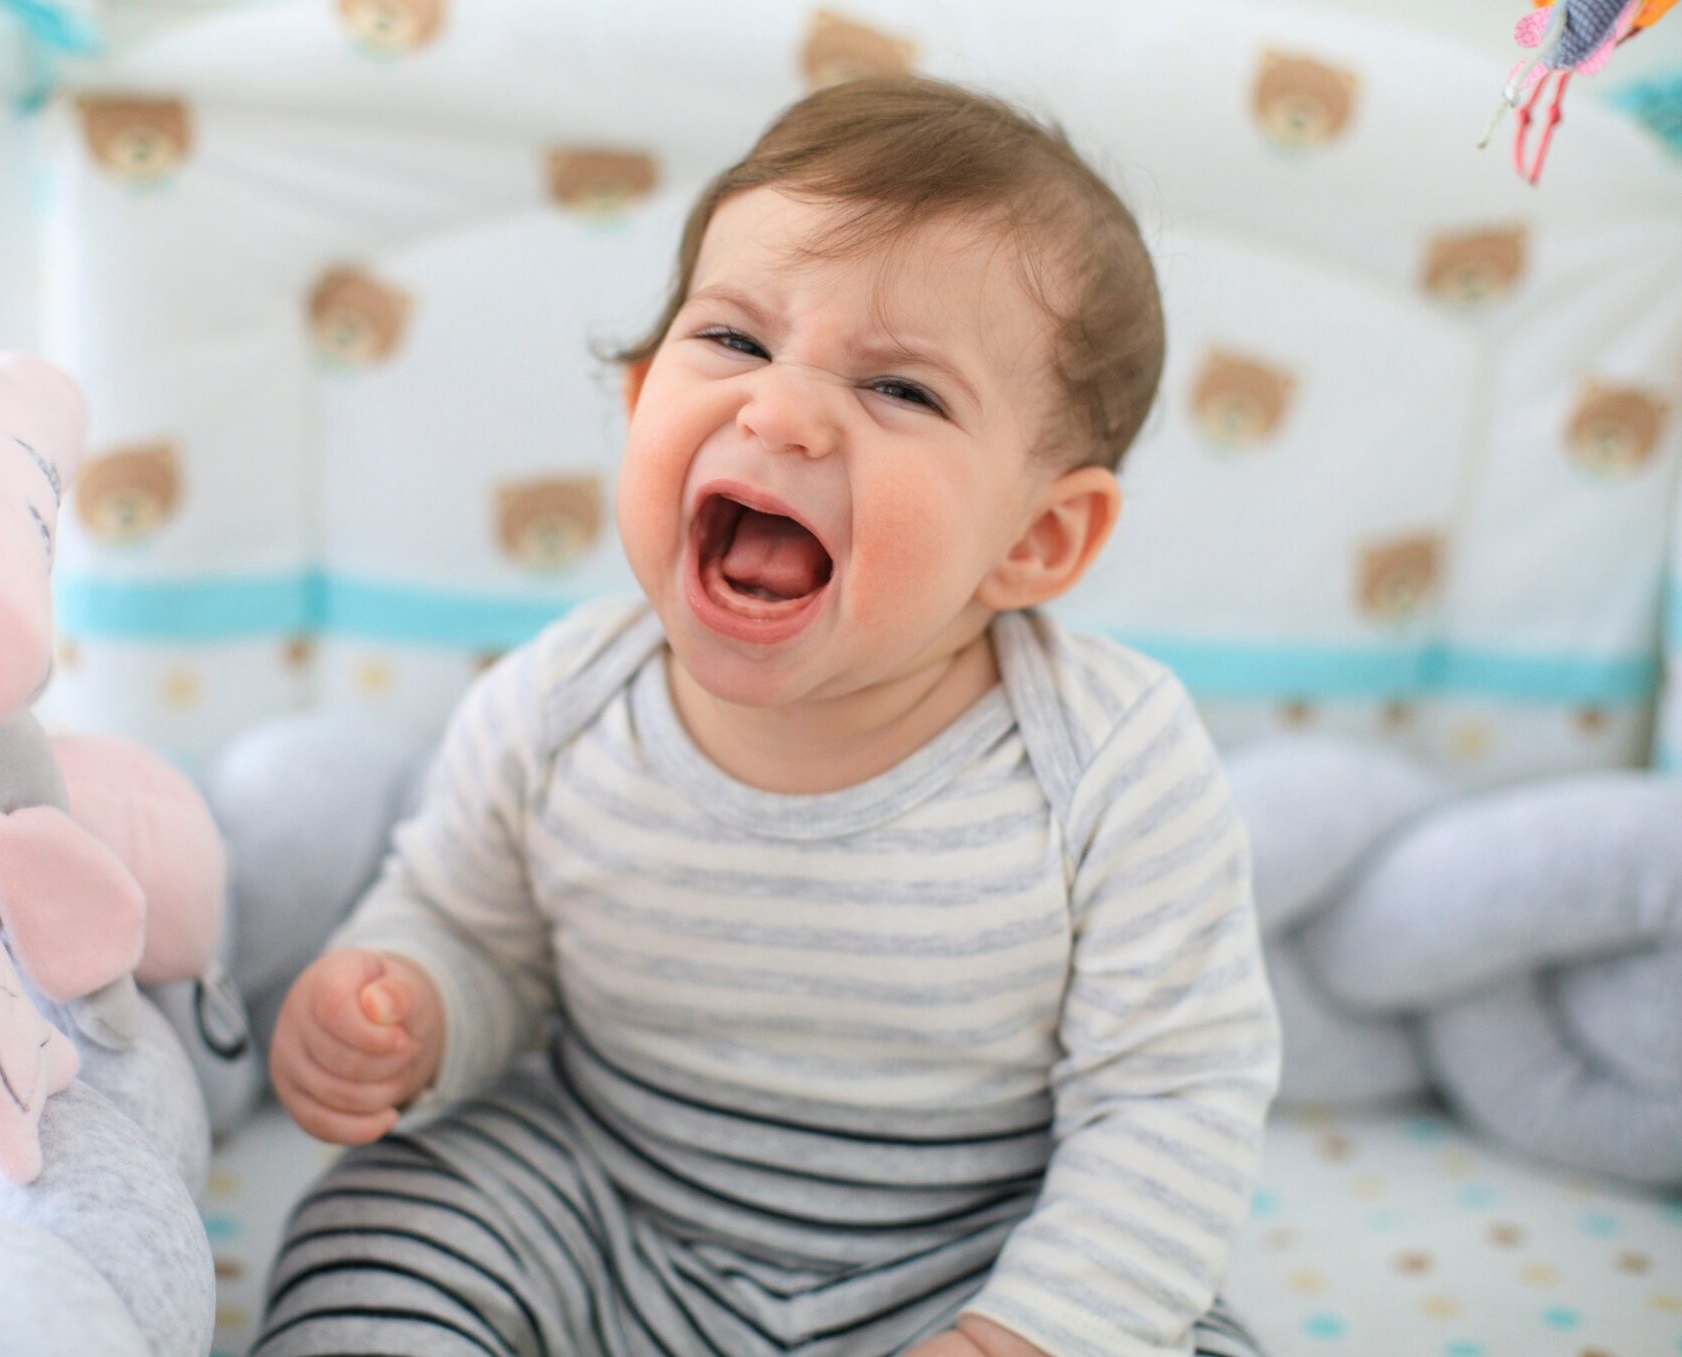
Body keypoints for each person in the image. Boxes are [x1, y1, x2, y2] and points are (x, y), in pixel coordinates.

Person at [256, 73, 1280, 1357]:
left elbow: (1171, 1095)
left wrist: (1027, 1332)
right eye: (736, 341)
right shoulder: (559, 703)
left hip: (969, 1259)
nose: (780, 410)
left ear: (1036, 539)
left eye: (902, 389)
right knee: (376, 1232)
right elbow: (473, 928)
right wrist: (405, 1002)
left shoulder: (1112, 762)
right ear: (641, 400)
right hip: (604, 1207)